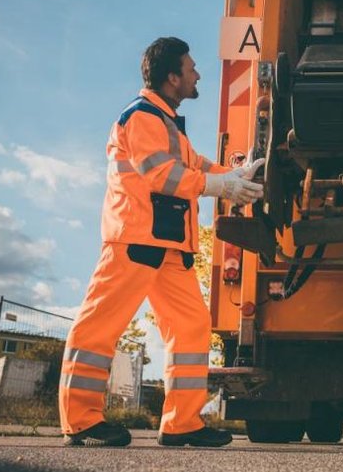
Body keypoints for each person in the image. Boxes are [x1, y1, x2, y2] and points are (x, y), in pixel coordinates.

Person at [59, 37, 264, 447]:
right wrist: (219, 186)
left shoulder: (166, 123)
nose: (197, 74)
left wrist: (235, 175)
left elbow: (195, 165)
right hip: (134, 242)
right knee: (99, 328)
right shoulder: (141, 118)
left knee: (192, 327)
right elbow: (161, 176)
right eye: (191, 68)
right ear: (173, 77)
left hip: (168, 248)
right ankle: (81, 421)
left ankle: (182, 423)